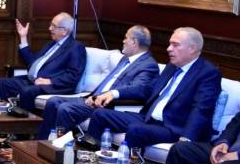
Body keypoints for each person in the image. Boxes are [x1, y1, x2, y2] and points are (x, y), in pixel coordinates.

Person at [83, 27, 221, 149]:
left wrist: (186, 138)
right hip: (148, 119)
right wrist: (113, 93)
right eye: (170, 44)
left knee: (136, 130)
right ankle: (92, 156)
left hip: (173, 127)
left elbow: (201, 109)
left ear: (192, 48)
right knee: (100, 114)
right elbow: (147, 89)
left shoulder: (207, 73)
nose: (169, 48)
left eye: (175, 45)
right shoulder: (172, 66)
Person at [37, 25, 159, 139]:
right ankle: (41, 142)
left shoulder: (148, 65)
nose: (123, 41)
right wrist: (94, 96)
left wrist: (106, 95)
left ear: (134, 42)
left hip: (107, 105)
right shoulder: (125, 59)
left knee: (65, 108)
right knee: (53, 101)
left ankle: (58, 148)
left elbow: (138, 88)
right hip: (93, 98)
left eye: (126, 38)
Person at [0, 13, 87, 114]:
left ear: (65, 31)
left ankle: (24, 122)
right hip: (34, 81)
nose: (50, 28)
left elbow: (73, 76)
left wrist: (50, 81)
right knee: (3, 83)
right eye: (50, 24)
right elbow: (32, 62)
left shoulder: (76, 47)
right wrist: (23, 37)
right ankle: (1, 117)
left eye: (54, 26)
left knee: (27, 91)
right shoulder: (51, 44)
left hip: (54, 86)